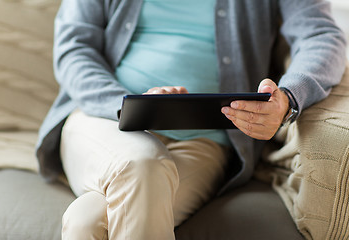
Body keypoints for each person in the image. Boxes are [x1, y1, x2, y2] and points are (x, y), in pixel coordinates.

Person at [36, 0, 347, 239]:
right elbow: (73, 48)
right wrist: (131, 107)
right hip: (104, 120)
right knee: (141, 162)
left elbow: (321, 36)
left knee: (87, 223)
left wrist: (288, 98)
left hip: (206, 141)